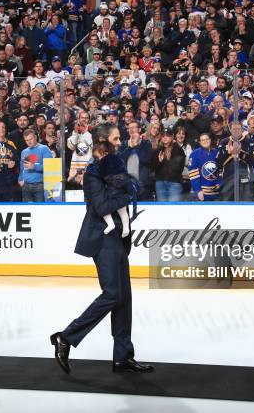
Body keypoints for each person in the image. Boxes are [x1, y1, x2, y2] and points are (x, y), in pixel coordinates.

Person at [50, 123, 153, 374]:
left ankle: (123, 356)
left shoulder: (116, 167)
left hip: (118, 239)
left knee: (123, 299)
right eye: (116, 139)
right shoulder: (93, 172)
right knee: (112, 295)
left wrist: (129, 188)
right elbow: (101, 206)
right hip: (102, 239)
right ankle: (66, 337)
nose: (120, 142)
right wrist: (128, 194)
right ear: (103, 141)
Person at [151, 128, 185, 202]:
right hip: (160, 183)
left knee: (173, 209)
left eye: (167, 136)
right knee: (162, 210)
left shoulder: (178, 149)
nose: (165, 138)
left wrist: (169, 160)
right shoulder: (158, 150)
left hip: (174, 183)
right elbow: (152, 167)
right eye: (163, 136)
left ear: (172, 136)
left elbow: (179, 168)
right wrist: (159, 161)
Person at [19, 129, 53, 202]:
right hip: (26, 185)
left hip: (40, 185)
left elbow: (50, 167)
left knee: (39, 210)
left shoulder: (44, 149)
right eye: (26, 140)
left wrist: (34, 167)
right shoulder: (24, 152)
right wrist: (20, 179)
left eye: (30, 139)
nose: (29, 142)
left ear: (35, 137)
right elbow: (22, 167)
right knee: (27, 210)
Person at [188, 132, 219, 201]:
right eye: (203, 140)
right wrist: (198, 190)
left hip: (216, 193)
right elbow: (193, 174)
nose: (205, 141)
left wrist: (219, 183)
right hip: (201, 193)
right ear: (200, 142)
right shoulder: (194, 154)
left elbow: (220, 170)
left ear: (210, 140)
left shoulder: (217, 152)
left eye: (207, 139)